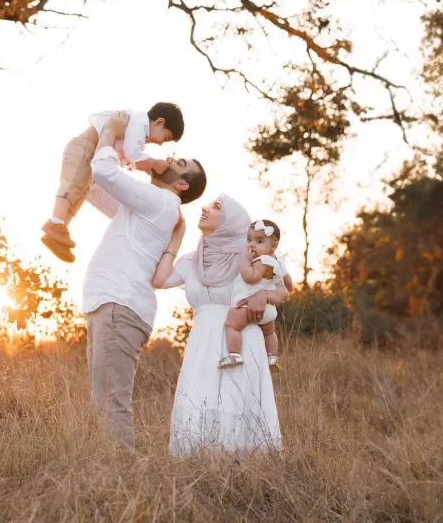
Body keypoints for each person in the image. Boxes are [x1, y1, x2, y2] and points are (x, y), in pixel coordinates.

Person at [82, 112, 205, 448]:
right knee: (105, 398)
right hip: (111, 303)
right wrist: (122, 151)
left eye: (178, 162)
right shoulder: (146, 206)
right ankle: (116, 479)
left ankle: (124, 481)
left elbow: (103, 172)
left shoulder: (163, 201)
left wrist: (109, 131)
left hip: (119, 305)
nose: (168, 158)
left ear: (180, 184)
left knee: (111, 401)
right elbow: (94, 188)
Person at [152, 194, 291, 456]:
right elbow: (159, 280)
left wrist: (264, 295)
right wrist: (176, 239)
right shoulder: (193, 261)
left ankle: (244, 482)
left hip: (240, 341)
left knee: (237, 405)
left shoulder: (251, 257)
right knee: (199, 404)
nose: (205, 208)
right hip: (202, 344)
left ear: (231, 220)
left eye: (216, 207)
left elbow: (283, 290)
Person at [42, 102, 185, 263]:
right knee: (72, 186)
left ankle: (58, 229)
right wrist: (153, 163)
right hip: (84, 148)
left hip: (90, 156)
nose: (160, 144)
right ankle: (56, 223)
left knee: (78, 195)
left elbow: (126, 157)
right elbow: (132, 154)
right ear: (159, 122)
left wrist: (144, 166)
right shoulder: (138, 122)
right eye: (165, 138)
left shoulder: (137, 132)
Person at [219, 219, 287, 371]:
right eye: (249, 240)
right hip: (268, 309)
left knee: (231, 325)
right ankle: (272, 357)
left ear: (273, 247)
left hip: (248, 307)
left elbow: (250, 277)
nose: (251, 244)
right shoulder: (275, 264)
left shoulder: (262, 261)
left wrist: (244, 259)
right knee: (269, 331)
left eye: (259, 241)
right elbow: (286, 284)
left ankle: (235, 353)